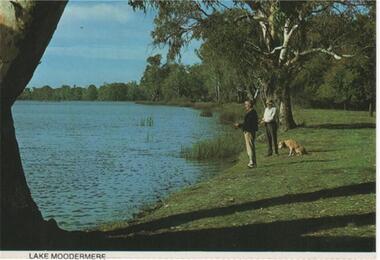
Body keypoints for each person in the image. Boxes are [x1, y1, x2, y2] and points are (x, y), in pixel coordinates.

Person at [234, 100, 258, 168]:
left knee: (250, 147)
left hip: (249, 132)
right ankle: (253, 162)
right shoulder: (251, 112)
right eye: (245, 104)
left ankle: (252, 163)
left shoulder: (252, 113)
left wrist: (239, 125)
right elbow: (247, 123)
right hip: (248, 131)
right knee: (250, 147)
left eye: (246, 104)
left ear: (250, 105)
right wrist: (240, 125)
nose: (245, 106)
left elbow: (248, 124)